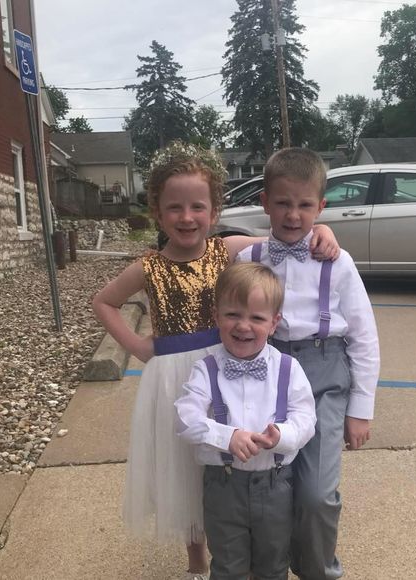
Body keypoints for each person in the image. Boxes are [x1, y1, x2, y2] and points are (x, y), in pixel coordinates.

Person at [91, 141, 340, 580]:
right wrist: (139, 346)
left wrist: (324, 231)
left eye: (197, 207)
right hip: (172, 375)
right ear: (157, 211)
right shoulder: (148, 267)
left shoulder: (225, 250)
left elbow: (286, 238)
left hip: (223, 363)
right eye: (175, 208)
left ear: (214, 210)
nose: (187, 217)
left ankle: (241, 539)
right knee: (185, 467)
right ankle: (196, 560)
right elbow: (104, 302)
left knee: (226, 455)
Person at [237, 147, 380, 580]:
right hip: (266, 373)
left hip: (324, 376)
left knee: (317, 493)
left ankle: (319, 570)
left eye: (304, 205)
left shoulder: (338, 262)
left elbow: (364, 336)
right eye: (282, 203)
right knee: (272, 489)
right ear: (264, 202)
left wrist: (361, 408)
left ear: (321, 207)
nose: (293, 215)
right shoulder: (247, 259)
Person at [175, 262, 316, 580]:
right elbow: (185, 418)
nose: (243, 326)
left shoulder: (288, 368)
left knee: (274, 562)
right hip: (223, 486)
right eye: (233, 314)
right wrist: (226, 436)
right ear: (216, 316)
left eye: (257, 318)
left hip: (275, 484)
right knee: (228, 565)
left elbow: (306, 419)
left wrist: (282, 435)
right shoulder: (206, 368)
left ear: (274, 322)